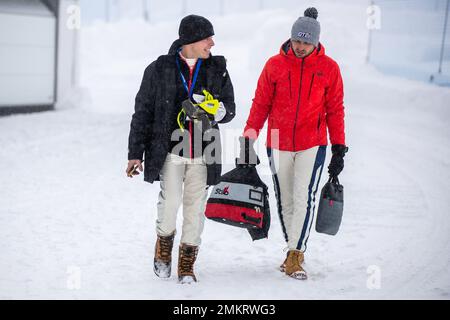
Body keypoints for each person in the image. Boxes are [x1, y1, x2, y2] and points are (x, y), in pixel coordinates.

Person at [238, 7, 348, 280]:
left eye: (306, 42)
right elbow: (261, 103)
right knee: (285, 198)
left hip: (313, 142)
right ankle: (291, 251)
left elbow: (335, 109)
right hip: (277, 141)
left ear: (316, 43)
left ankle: (296, 253)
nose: (300, 47)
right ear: (290, 39)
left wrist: (338, 147)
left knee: (304, 197)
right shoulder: (274, 65)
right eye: (297, 41)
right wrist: (249, 136)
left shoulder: (329, 69)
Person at [126, 14, 235, 284]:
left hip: (203, 151)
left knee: (195, 207)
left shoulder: (217, 68)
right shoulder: (159, 68)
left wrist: (219, 110)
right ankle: (163, 248)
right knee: (170, 201)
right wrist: (134, 154)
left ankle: (187, 262)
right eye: (207, 37)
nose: (212, 42)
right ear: (191, 40)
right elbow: (143, 112)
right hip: (170, 150)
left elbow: (230, 109)